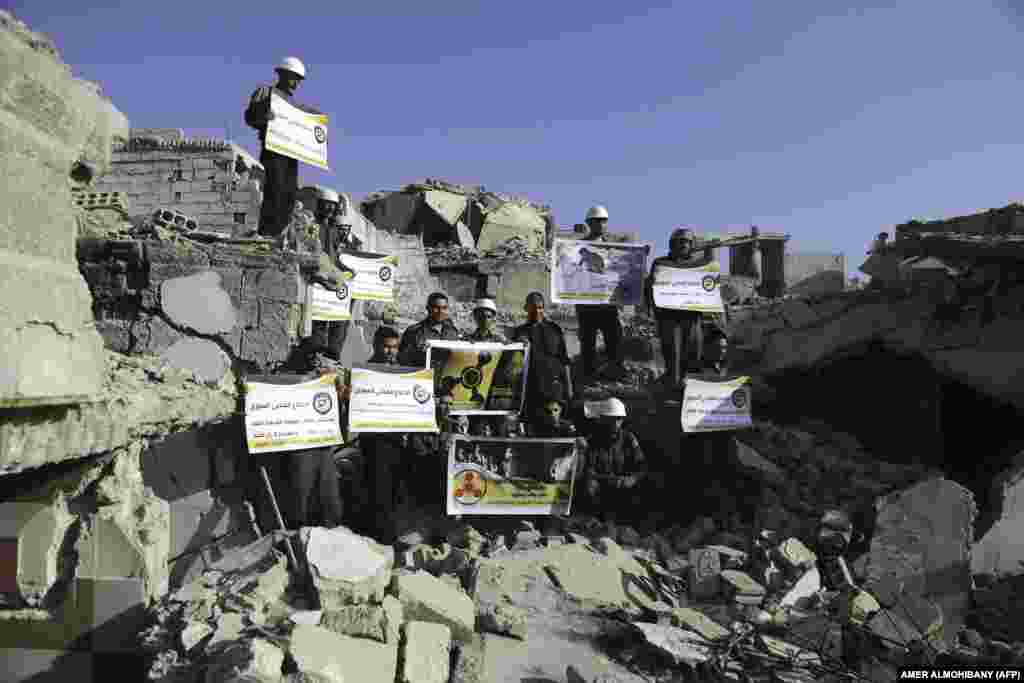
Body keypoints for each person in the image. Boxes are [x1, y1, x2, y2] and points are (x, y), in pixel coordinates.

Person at [244, 57, 307, 239]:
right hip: (273, 150)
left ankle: (281, 234)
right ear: (282, 75)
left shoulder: (294, 105)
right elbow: (250, 117)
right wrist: (264, 116)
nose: (296, 83)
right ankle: (267, 233)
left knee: (289, 192)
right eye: (293, 78)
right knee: (275, 189)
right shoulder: (266, 93)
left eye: (298, 80)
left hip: (290, 152)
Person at [358, 326, 408, 541]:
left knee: (395, 487)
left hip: (396, 438)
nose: (390, 352)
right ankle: (380, 535)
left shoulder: (403, 372)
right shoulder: (366, 372)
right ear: (376, 346)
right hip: (375, 440)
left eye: (395, 347)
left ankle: (388, 531)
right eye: (386, 347)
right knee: (378, 486)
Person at [645, 228, 712, 388]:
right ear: (672, 244)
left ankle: (691, 391)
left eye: (686, 242)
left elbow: (708, 287)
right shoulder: (661, 263)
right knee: (672, 354)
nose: (683, 245)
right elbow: (649, 287)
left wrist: (710, 250)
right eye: (679, 241)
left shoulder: (699, 265)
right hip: (669, 318)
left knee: (693, 353)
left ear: (691, 245)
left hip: (692, 317)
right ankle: (672, 387)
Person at [578, 398, 648, 522]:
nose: (616, 423)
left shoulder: (629, 439)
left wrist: (633, 479)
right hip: (603, 486)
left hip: (624, 487)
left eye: (619, 419)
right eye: (612, 419)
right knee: (590, 487)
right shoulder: (593, 440)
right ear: (604, 419)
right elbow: (588, 473)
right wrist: (610, 480)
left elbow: (642, 466)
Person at [576, 205, 625, 379]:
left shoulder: (612, 247)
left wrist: (640, 255)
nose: (600, 224)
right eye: (596, 221)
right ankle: (588, 376)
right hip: (586, 304)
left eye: (603, 221)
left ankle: (616, 373)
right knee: (587, 342)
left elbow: (624, 266)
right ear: (589, 223)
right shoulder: (578, 246)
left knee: (614, 339)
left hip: (607, 304)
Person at [511, 292, 573, 427]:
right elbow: (513, 363)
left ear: (543, 308)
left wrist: (569, 389)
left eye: (539, 307)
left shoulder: (555, 330)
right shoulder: (519, 332)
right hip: (531, 390)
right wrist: (518, 344)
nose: (536, 311)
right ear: (525, 308)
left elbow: (564, 360)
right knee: (533, 427)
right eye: (532, 307)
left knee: (555, 426)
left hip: (554, 390)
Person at [398, 292, 461, 369]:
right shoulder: (414, 332)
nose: (440, 311)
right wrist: (420, 354)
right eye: (436, 307)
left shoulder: (453, 332)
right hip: (423, 376)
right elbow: (402, 358)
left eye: (444, 308)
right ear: (428, 308)